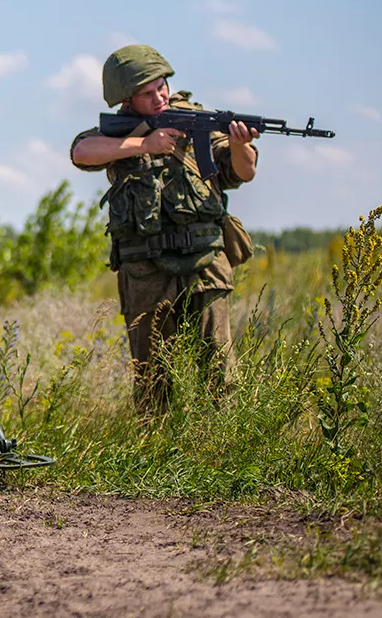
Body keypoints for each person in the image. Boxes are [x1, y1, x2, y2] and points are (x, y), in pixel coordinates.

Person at [70, 44, 258, 411]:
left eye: (162, 88)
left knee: (220, 375)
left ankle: (221, 457)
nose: (159, 97)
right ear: (126, 98)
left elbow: (244, 171)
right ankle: (154, 457)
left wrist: (241, 146)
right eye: (147, 93)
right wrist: (144, 143)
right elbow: (81, 152)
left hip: (205, 263)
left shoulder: (197, 119)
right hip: (144, 271)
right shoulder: (122, 133)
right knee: (153, 383)